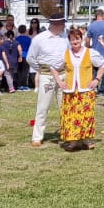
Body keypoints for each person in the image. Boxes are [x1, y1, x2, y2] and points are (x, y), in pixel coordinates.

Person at [54, 25, 100, 152]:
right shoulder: (66, 54)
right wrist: (59, 81)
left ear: (81, 39)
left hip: (85, 90)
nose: (75, 42)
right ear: (69, 41)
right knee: (71, 116)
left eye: (77, 39)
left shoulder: (90, 53)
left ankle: (86, 140)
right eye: (72, 39)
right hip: (70, 91)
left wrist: (96, 79)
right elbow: (53, 67)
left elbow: (102, 65)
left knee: (85, 115)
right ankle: (73, 141)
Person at [27, 16, 68, 147]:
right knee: (43, 106)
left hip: (63, 74)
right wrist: (41, 70)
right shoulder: (39, 39)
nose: (63, 25)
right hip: (47, 75)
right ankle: (37, 137)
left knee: (65, 106)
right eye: (61, 23)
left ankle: (67, 133)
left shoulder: (65, 38)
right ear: (54, 23)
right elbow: (30, 58)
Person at [14, 24, 34, 90]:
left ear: (19, 31)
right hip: (26, 56)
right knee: (25, 71)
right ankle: (24, 85)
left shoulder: (17, 39)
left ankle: (19, 85)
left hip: (18, 56)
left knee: (19, 71)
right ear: (25, 31)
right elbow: (31, 48)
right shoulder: (29, 39)